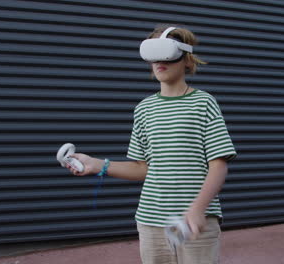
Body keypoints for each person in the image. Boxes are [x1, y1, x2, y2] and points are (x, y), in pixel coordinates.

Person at [66, 25, 237, 264]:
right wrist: (97, 165)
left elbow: (219, 166)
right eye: (152, 55)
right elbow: (142, 167)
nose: (159, 61)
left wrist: (198, 208)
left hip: (196, 221)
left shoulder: (204, 103)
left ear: (186, 59)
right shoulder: (144, 109)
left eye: (165, 53)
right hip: (150, 221)